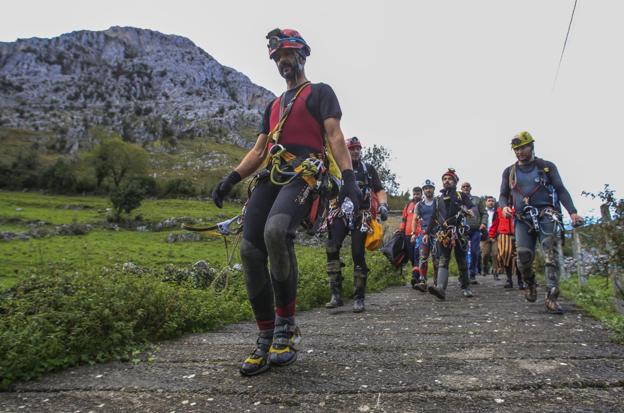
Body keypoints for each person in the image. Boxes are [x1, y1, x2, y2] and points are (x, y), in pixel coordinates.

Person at [211, 28, 362, 376]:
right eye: (277, 57)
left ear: (302, 55)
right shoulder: (274, 106)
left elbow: (335, 135)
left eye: (287, 55)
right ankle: (265, 335)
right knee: (250, 250)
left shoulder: (320, 92)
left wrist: (349, 178)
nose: (282, 61)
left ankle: (286, 327)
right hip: (273, 175)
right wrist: (231, 178)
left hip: (306, 174)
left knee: (276, 231)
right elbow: (260, 149)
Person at [498, 131, 583, 313]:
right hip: (522, 219)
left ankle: (552, 295)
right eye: (516, 149)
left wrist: (573, 212)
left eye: (523, 147)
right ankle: (530, 282)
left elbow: (561, 189)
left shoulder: (546, 167)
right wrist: (504, 207)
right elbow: (503, 195)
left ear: (532, 146)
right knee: (523, 258)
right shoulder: (509, 172)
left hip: (546, 215)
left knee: (550, 254)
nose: (520, 152)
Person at [325, 136, 388, 313]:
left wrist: (383, 204)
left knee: (358, 253)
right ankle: (335, 295)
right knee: (331, 247)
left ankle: (359, 297)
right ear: (345, 150)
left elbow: (379, 189)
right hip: (340, 214)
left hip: (362, 215)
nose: (355, 151)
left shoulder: (368, 169)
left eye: (358, 148)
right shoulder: (337, 168)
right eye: (352, 148)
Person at [423, 169, 475, 300]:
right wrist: (426, 232)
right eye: (444, 179)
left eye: (449, 179)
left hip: (459, 232)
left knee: (461, 260)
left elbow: (472, 206)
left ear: (455, 181)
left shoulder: (461, 196)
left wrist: (471, 211)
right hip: (444, 234)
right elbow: (432, 218)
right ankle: (440, 288)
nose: (446, 181)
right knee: (443, 260)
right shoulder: (437, 199)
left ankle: (466, 287)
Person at [488, 204, 524, 289]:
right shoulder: (499, 208)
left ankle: (520, 281)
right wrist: (491, 234)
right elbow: (496, 222)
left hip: (518, 233)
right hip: (504, 234)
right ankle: (509, 280)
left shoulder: (519, 204)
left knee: (518, 257)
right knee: (506, 255)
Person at [411, 180, 438, 292]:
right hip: (423, 234)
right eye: (426, 188)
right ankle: (423, 281)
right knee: (423, 257)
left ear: (433, 189)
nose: (428, 190)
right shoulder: (419, 205)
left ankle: (437, 282)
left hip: (437, 233)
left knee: (436, 259)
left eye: (430, 187)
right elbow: (414, 219)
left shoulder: (438, 202)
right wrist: (413, 233)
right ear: (423, 190)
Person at [460, 182, 487, 284]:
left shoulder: (477, 199)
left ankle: (472, 275)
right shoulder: (458, 200)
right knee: (462, 253)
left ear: (470, 188)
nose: (466, 188)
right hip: (462, 230)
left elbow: (484, 213)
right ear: (461, 188)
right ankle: (462, 275)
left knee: (475, 252)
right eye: (464, 186)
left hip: (475, 229)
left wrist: (483, 223)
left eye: (467, 186)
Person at [400, 186, 422, 288]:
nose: (416, 196)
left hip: (419, 234)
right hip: (407, 234)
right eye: (414, 194)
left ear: (421, 194)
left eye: (418, 194)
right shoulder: (408, 204)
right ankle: (416, 275)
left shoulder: (423, 204)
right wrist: (401, 230)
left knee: (417, 256)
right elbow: (404, 219)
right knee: (412, 256)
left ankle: (415, 277)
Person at [480, 196, 498, 278]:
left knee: (495, 254)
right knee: (485, 254)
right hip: (485, 235)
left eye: (492, 201)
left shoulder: (497, 212)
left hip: (495, 236)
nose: (491, 202)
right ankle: (484, 267)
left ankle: (495, 272)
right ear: (485, 202)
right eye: (489, 201)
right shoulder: (482, 212)